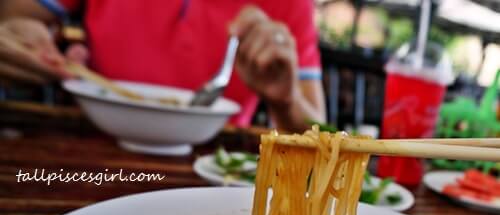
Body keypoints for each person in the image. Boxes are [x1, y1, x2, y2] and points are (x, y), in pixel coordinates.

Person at [0, 1, 326, 131]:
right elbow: (17, 13)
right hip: (86, 145)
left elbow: (317, 130)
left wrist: (285, 99)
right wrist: (22, 30)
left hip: (213, 172)